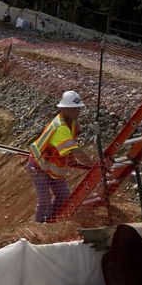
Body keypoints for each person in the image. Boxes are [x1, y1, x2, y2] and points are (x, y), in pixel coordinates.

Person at [26, 91, 93, 222]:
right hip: (39, 166)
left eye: (78, 109)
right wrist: (93, 165)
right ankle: (38, 225)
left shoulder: (73, 123)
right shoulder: (60, 127)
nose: (77, 112)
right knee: (44, 199)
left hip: (51, 167)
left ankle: (50, 220)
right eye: (74, 109)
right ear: (64, 109)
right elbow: (75, 151)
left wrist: (72, 160)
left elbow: (70, 145)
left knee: (63, 197)